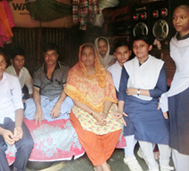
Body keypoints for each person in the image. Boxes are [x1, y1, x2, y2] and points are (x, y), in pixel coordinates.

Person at [117, 35, 173, 171]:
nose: (138, 49)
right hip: (133, 105)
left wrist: (137, 91)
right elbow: (123, 91)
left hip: (152, 103)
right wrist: (120, 110)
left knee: (164, 131)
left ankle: (165, 165)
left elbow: (161, 90)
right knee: (142, 131)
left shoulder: (158, 64)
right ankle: (152, 165)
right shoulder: (128, 66)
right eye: (135, 46)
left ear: (149, 47)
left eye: (142, 46)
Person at [64, 43, 122, 171]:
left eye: (90, 54)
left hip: (104, 107)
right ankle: (104, 166)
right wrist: (93, 113)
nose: (87, 57)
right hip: (84, 108)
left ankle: (98, 163)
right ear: (80, 56)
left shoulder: (104, 73)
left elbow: (109, 96)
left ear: (95, 56)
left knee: (115, 128)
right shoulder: (74, 73)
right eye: (84, 54)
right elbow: (75, 99)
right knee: (88, 132)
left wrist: (105, 113)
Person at [160, 5, 189, 171]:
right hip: (179, 89)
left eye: (183, 17)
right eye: (175, 17)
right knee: (179, 132)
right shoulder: (173, 41)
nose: (177, 21)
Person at [108, 40, 143, 171]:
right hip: (117, 102)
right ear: (115, 54)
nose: (122, 56)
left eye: (125, 53)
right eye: (119, 53)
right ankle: (129, 155)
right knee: (128, 118)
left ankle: (142, 150)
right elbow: (110, 94)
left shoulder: (137, 66)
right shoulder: (109, 71)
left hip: (134, 100)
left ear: (130, 53)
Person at [24, 43, 74, 124]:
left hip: (60, 99)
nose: (49, 57)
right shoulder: (38, 70)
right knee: (29, 105)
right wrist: (38, 108)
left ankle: (47, 115)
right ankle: (52, 115)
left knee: (71, 101)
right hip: (44, 100)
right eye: (47, 55)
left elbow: (66, 88)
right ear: (43, 56)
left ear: (57, 56)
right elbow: (36, 90)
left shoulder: (64, 68)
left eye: (52, 54)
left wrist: (58, 105)